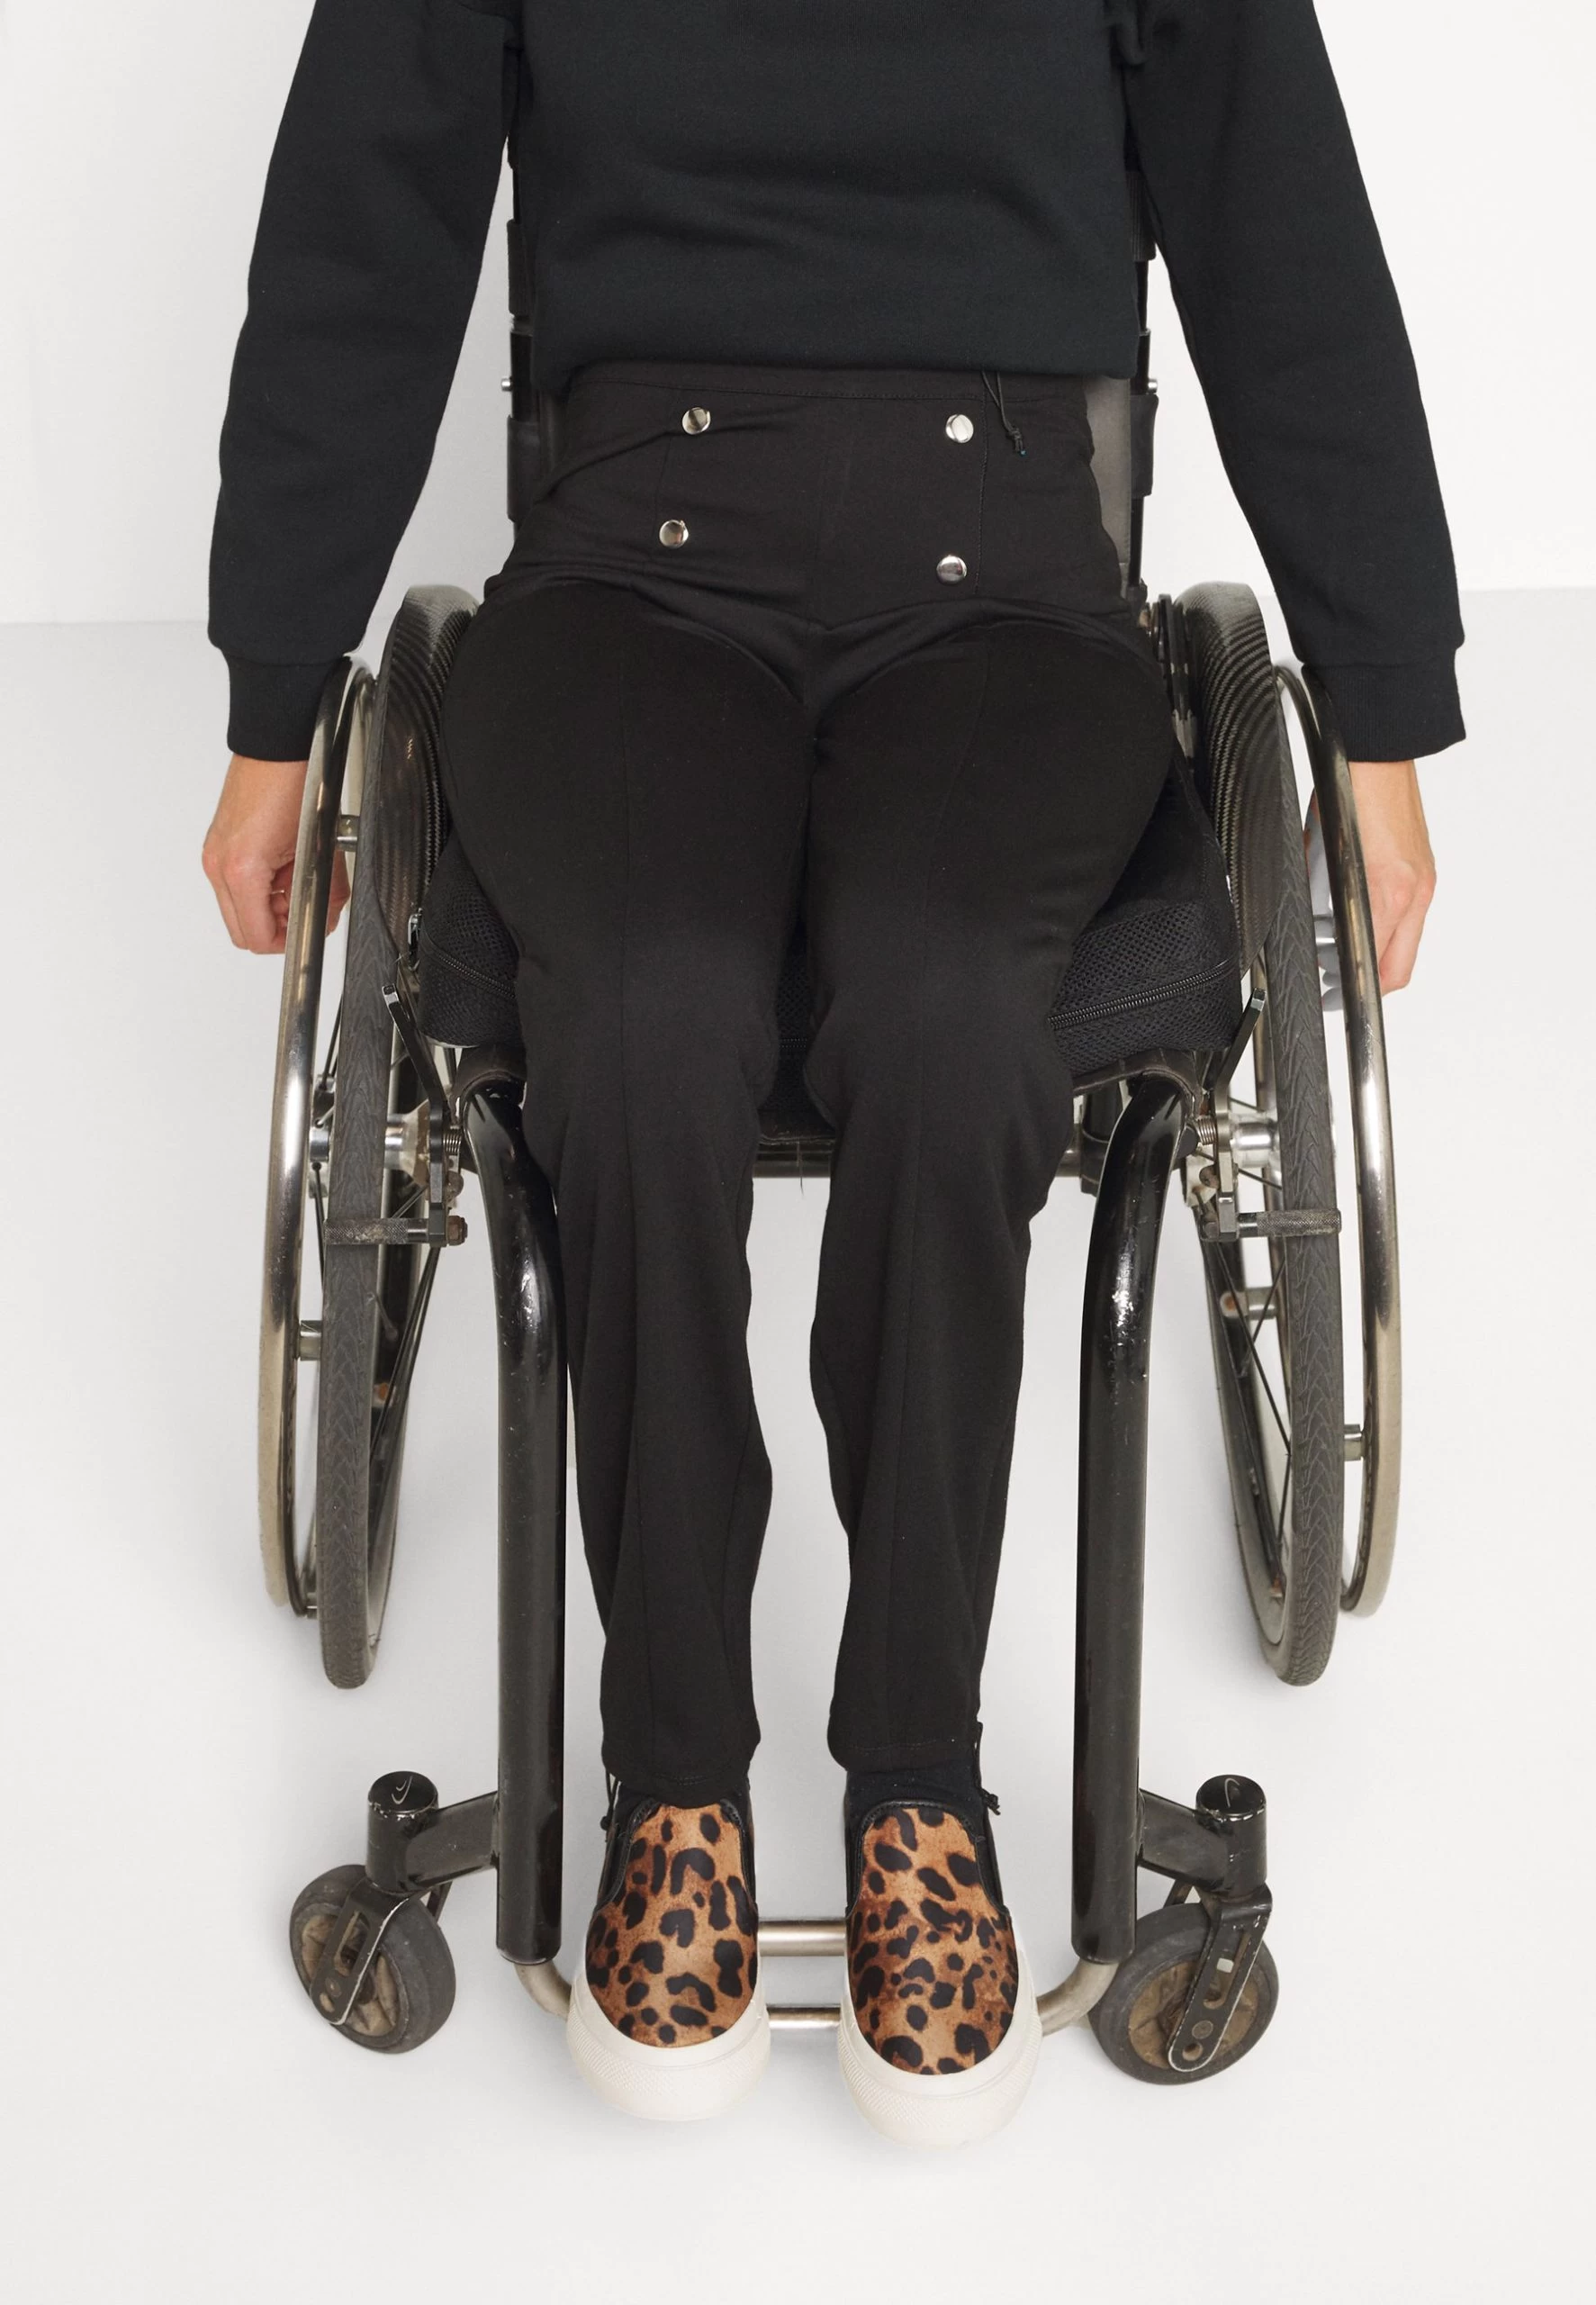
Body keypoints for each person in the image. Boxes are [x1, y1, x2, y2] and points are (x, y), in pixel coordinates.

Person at [202, 0, 1458, 2143]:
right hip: (629, 572)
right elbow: (362, 226)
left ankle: (917, 1783)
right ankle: (674, 1776)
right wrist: (271, 701)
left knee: (954, 1000)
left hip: (1015, 589)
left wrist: (1379, 711)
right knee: (646, 1000)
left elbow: (1281, 237)